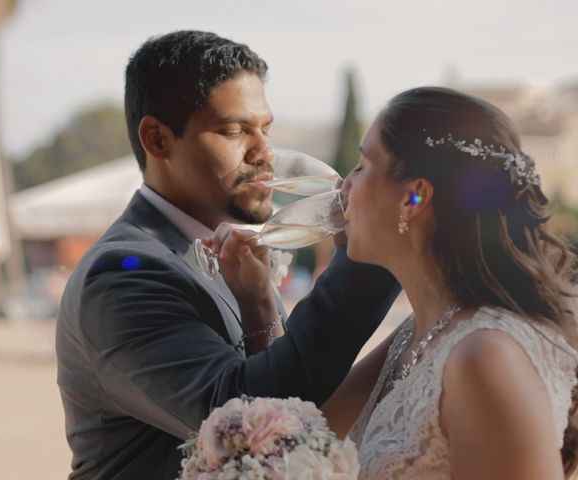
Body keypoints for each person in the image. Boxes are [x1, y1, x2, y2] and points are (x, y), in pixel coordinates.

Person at [55, 30, 399, 480]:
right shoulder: (122, 276)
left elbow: (293, 414)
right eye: (235, 131)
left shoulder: (235, 252)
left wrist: (259, 306)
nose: (265, 153)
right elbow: (250, 418)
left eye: (266, 130)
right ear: (158, 140)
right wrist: (375, 249)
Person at [213, 86, 578, 479]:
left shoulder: (483, 357)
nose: (343, 187)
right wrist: (257, 300)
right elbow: (298, 442)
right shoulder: (417, 333)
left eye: (363, 165)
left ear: (415, 198)